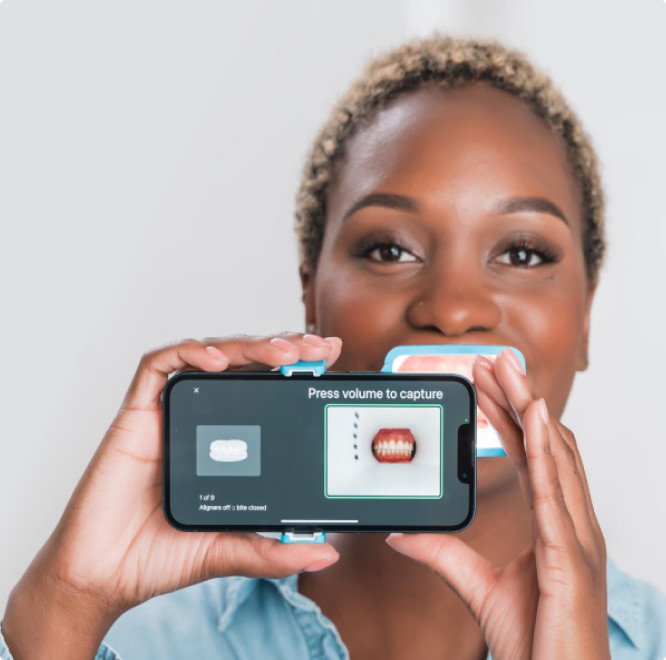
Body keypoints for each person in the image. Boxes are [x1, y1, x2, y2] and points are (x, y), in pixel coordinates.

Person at [2, 34, 665, 660]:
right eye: (388, 248)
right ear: (311, 296)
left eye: (521, 252)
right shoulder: (139, 641)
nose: (453, 308)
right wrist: (61, 611)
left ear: (586, 318)